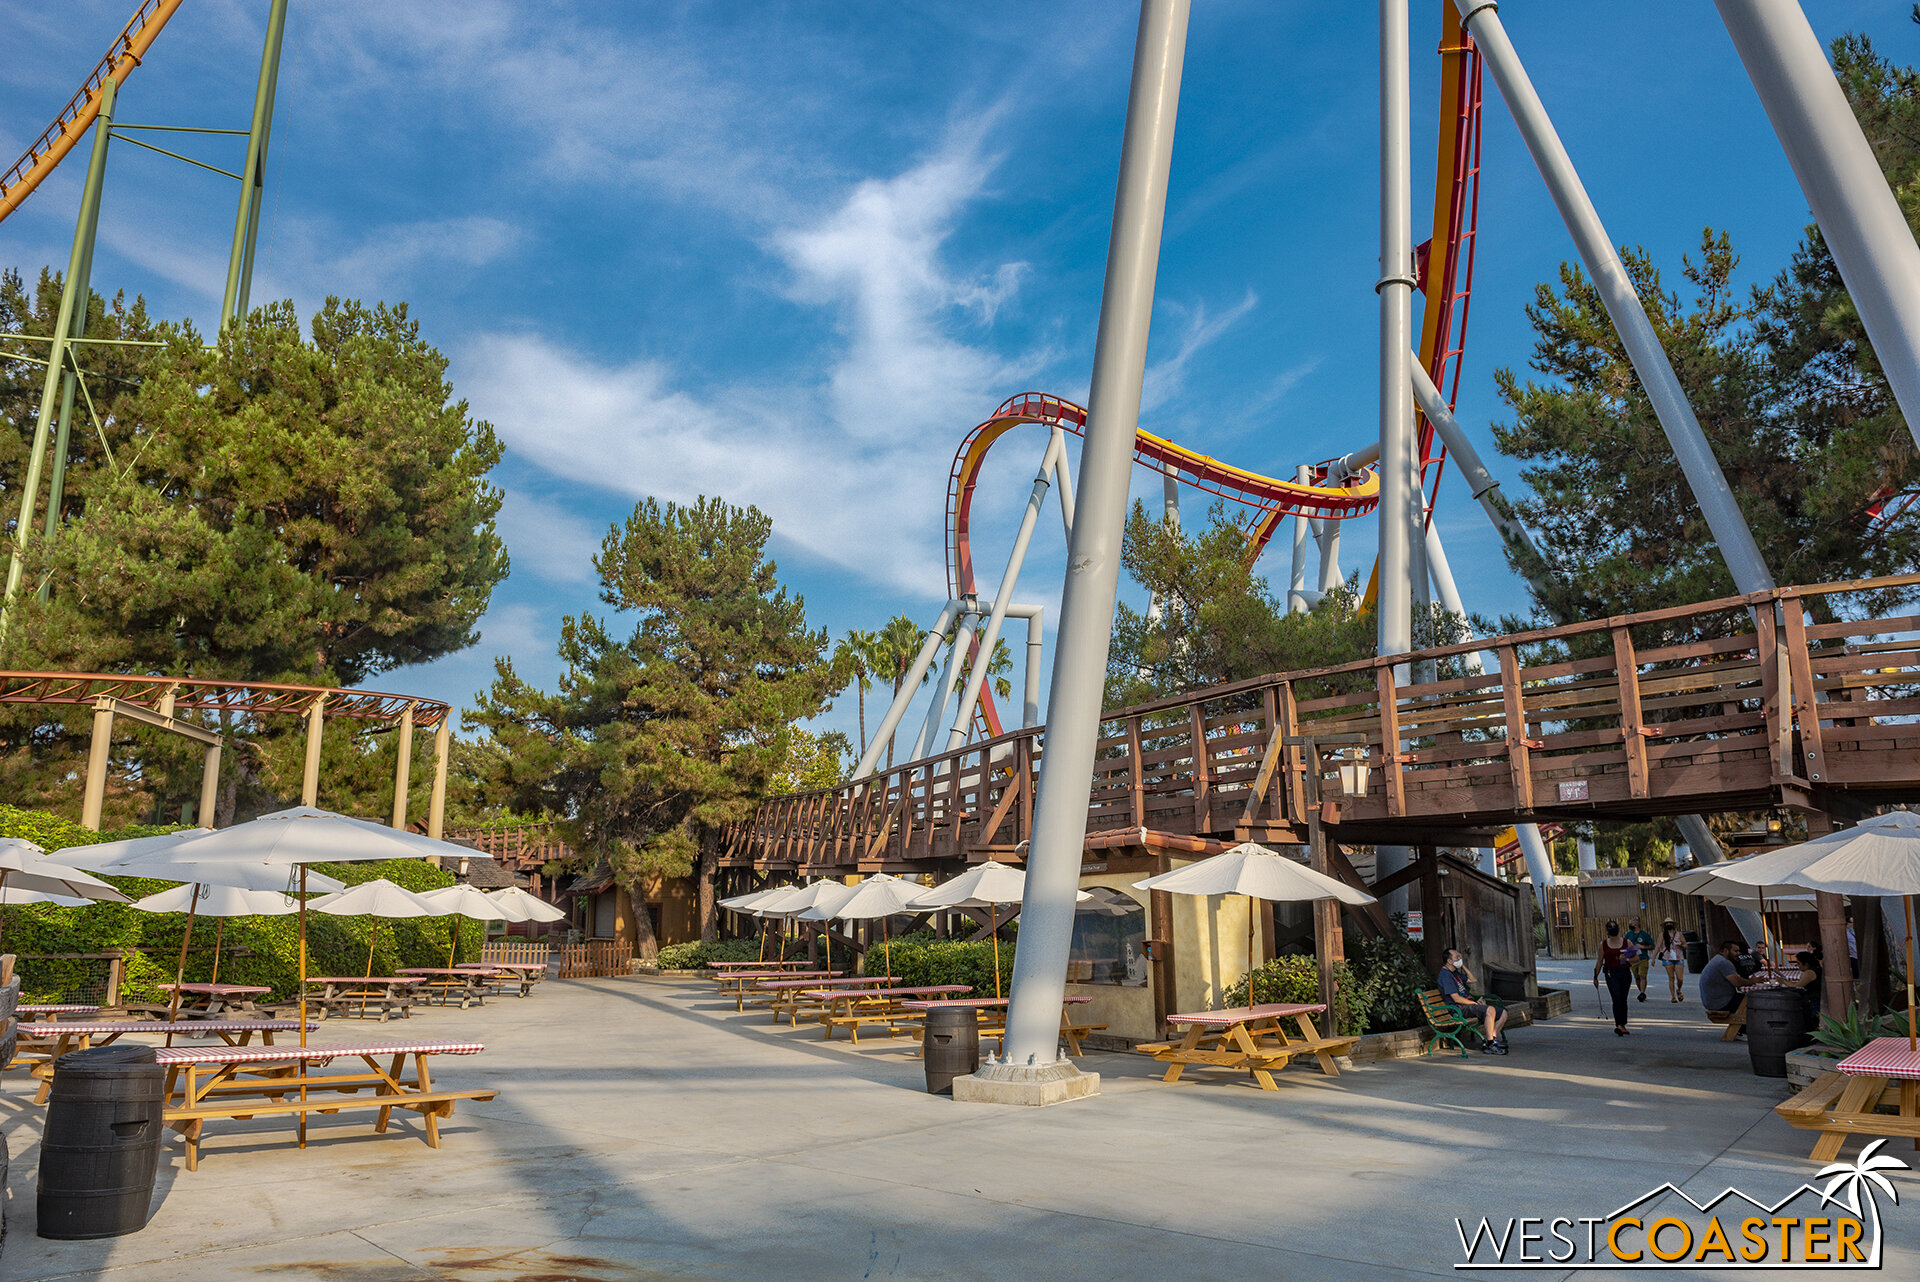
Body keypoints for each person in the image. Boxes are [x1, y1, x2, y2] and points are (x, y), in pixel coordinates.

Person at [1438, 947, 1509, 1054]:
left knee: (1503, 1013)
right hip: (1457, 1008)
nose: (1460, 958)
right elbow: (1456, 998)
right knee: (1489, 1010)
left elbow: (1473, 980)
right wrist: (1474, 1003)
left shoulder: (1454, 973)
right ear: (1449, 961)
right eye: (1457, 957)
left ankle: (1491, 1041)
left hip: (1467, 1005)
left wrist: (1462, 965)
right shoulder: (1445, 976)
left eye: (1460, 957)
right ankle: (1491, 1043)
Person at [1699, 939, 1764, 1020]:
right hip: (1720, 1003)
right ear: (1726, 951)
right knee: (1756, 1002)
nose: (1738, 953)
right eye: (1735, 951)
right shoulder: (1724, 962)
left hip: (1713, 1001)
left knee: (1749, 998)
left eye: (1739, 951)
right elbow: (1736, 982)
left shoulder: (1718, 959)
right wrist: (1752, 981)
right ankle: (1749, 1028)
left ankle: (1744, 1029)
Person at [1595, 920, 1636, 1035]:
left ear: (1618, 928)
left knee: (1623, 998)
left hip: (1624, 972)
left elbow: (1636, 958)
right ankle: (1618, 1024)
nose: (1612, 928)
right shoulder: (1603, 944)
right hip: (1611, 973)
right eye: (1610, 927)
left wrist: (1626, 959)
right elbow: (1599, 961)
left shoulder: (1627, 942)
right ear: (1607, 930)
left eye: (1614, 926)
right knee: (1616, 997)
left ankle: (1623, 1023)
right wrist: (1595, 976)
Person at [1656, 918, 1688, 1002]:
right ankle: (1673, 996)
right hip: (1667, 957)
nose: (1669, 924)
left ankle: (1679, 990)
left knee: (1680, 978)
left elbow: (1685, 945)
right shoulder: (1662, 935)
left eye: (1670, 923)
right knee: (1671, 977)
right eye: (1667, 923)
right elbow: (1658, 946)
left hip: (1678, 956)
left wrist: (1681, 945)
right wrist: (1653, 958)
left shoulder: (1679, 934)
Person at [1625, 916, 1656, 1002]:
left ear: (1635, 925)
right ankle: (1641, 992)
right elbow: (1624, 944)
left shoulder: (1644, 934)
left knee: (1643, 975)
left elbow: (1652, 946)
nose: (1629, 925)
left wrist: (1642, 946)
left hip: (1643, 958)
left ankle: (1642, 992)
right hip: (1633, 958)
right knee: (1637, 977)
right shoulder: (1628, 934)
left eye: (1631, 924)